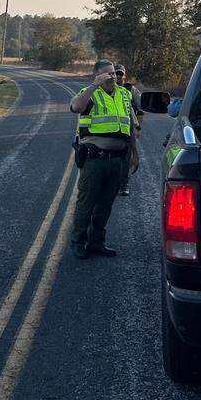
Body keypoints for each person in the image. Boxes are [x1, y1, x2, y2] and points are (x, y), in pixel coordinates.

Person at [69, 59, 138, 259]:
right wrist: (93, 86)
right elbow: (76, 107)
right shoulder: (90, 94)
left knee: (105, 204)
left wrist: (135, 153)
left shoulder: (125, 94)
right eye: (107, 74)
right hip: (94, 160)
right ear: (97, 75)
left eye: (114, 73)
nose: (113, 77)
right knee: (86, 203)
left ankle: (96, 242)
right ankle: (78, 242)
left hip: (118, 160)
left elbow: (130, 126)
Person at [113, 64, 143, 196]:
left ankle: (124, 184)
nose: (118, 76)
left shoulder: (132, 90)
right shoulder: (107, 89)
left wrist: (138, 128)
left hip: (128, 128)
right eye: (116, 73)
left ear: (124, 75)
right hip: (111, 129)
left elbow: (140, 111)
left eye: (121, 74)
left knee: (126, 156)